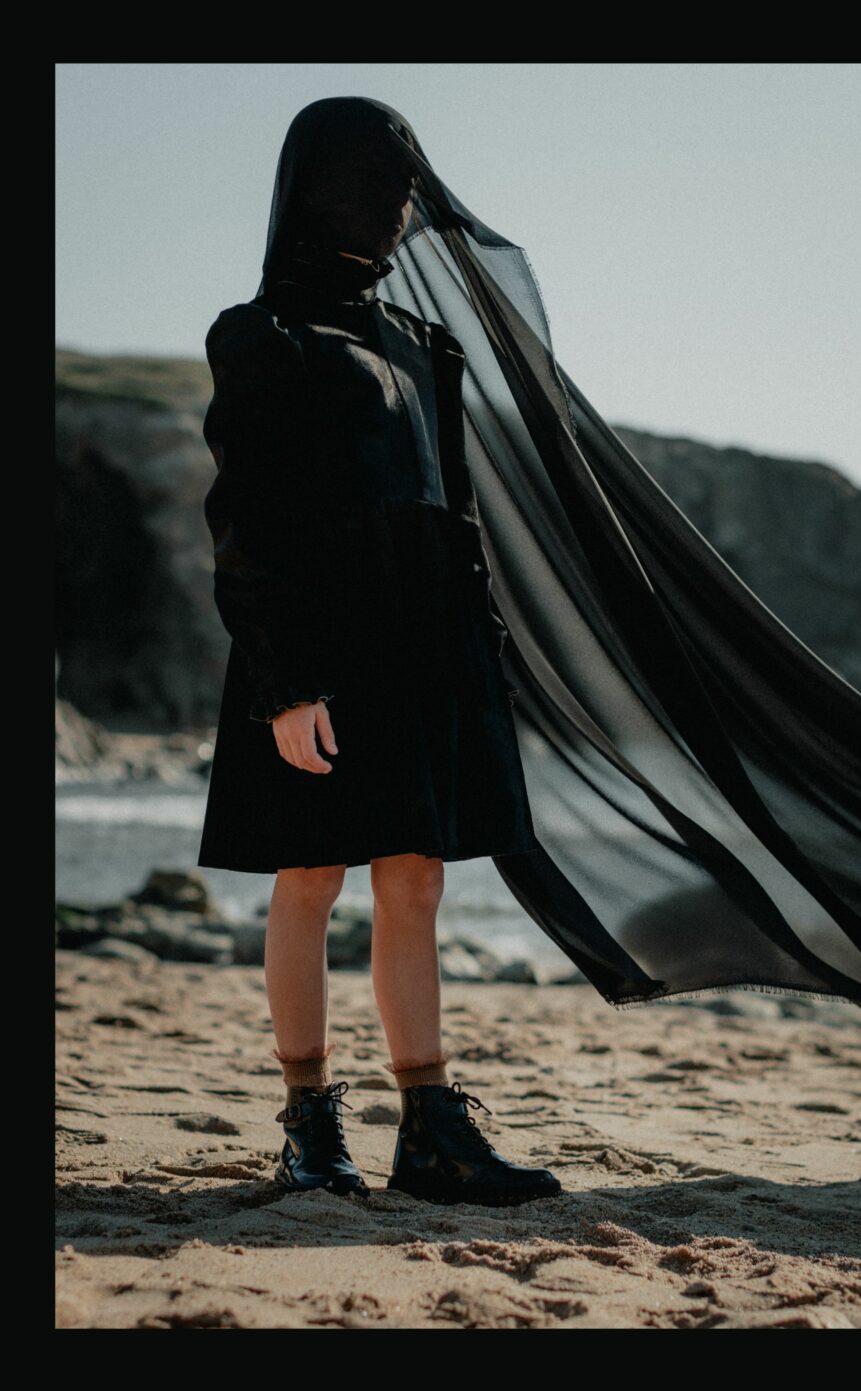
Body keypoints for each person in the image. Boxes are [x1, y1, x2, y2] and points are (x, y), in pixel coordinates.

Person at [195, 98, 559, 1206]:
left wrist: (481, 649)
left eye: (406, 181)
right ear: (314, 185)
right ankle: (310, 1124)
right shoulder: (256, 335)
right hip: (315, 642)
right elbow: (245, 516)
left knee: (416, 879)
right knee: (311, 874)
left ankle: (431, 1129)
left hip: (425, 642)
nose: (398, 201)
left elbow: (450, 509)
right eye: (373, 177)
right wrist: (285, 681)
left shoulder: (421, 342)